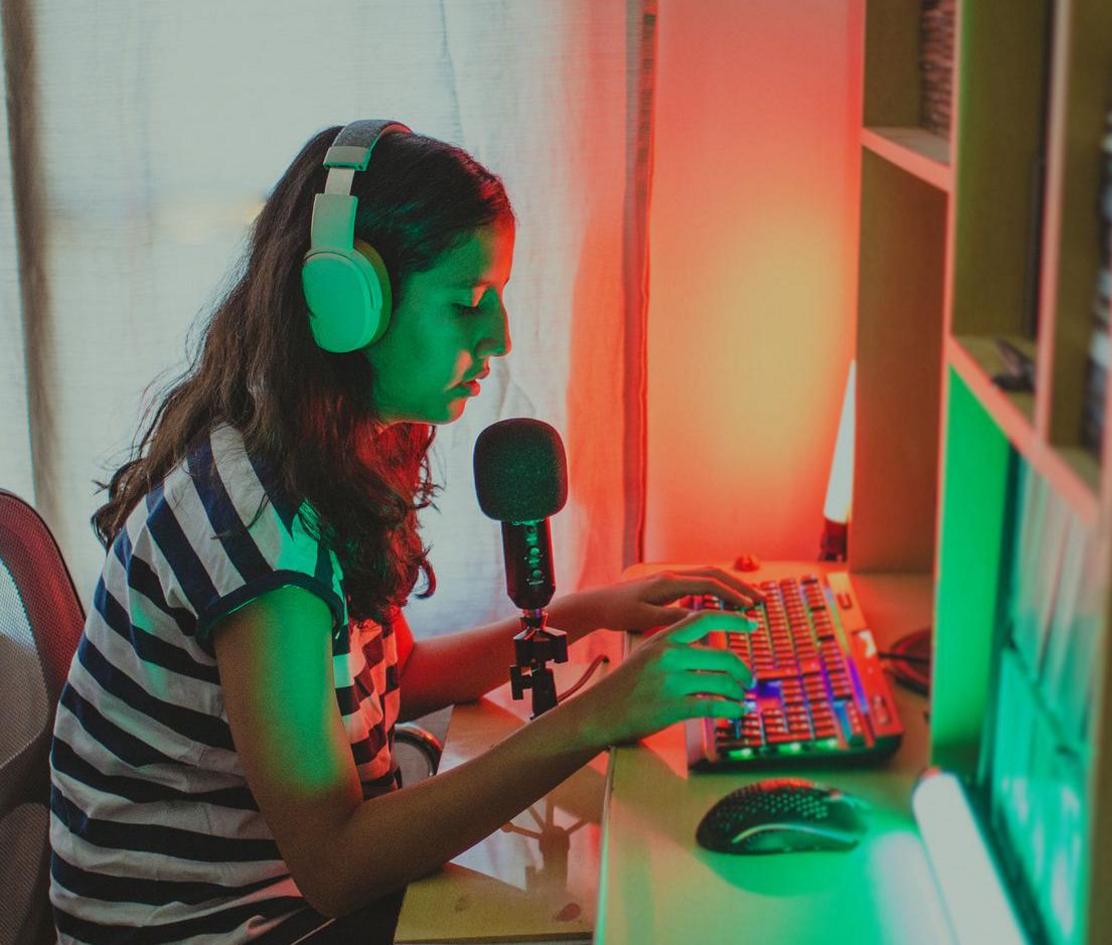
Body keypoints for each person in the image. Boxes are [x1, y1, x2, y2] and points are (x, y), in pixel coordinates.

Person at [47, 122, 761, 945]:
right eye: (467, 302)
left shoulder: (339, 446)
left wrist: (587, 613)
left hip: (275, 888)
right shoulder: (258, 536)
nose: (497, 338)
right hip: (208, 926)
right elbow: (336, 863)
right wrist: (597, 715)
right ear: (348, 304)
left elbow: (401, 673)